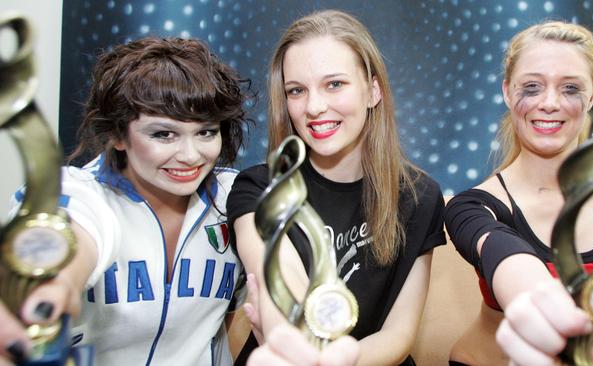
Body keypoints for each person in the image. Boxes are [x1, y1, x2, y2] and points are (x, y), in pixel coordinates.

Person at [1, 36, 251, 365]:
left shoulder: (235, 195)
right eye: (164, 134)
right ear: (118, 135)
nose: (191, 156)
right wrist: (51, 285)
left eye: (206, 132)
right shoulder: (77, 194)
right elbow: (72, 230)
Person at [226, 9, 446, 366]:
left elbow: (398, 335)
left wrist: (335, 362)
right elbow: (282, 291)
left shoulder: (420, 196)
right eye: (296, 90)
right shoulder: (259, 187)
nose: (314, 107)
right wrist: (302, 347)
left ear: (373, 90)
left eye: (334, 84)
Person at [444, 21, 593, 365]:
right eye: (532, 87)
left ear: (592, 97)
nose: (550, 103)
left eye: (570, 88)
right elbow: (511, 263)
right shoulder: (472, 207)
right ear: (508, 92)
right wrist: (550, 310)